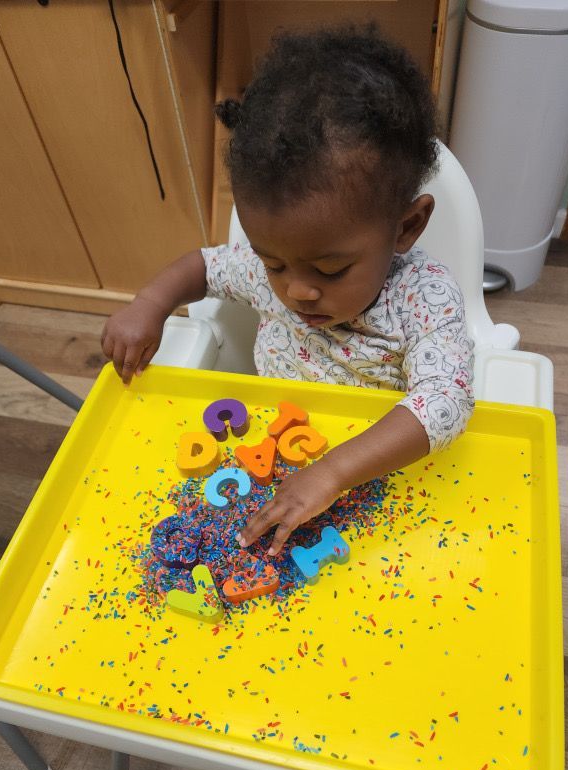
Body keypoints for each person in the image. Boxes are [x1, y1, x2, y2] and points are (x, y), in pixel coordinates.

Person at [101, 24, 474, 556]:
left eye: (331, 269)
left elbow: (446, 399)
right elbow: (203, 266)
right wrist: (151, 304)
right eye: (273, 262)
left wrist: (334, 471)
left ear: (405, 228)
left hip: (377, 472)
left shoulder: (424, 296)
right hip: (273, 455)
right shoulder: (268, 274)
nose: (297, 290)